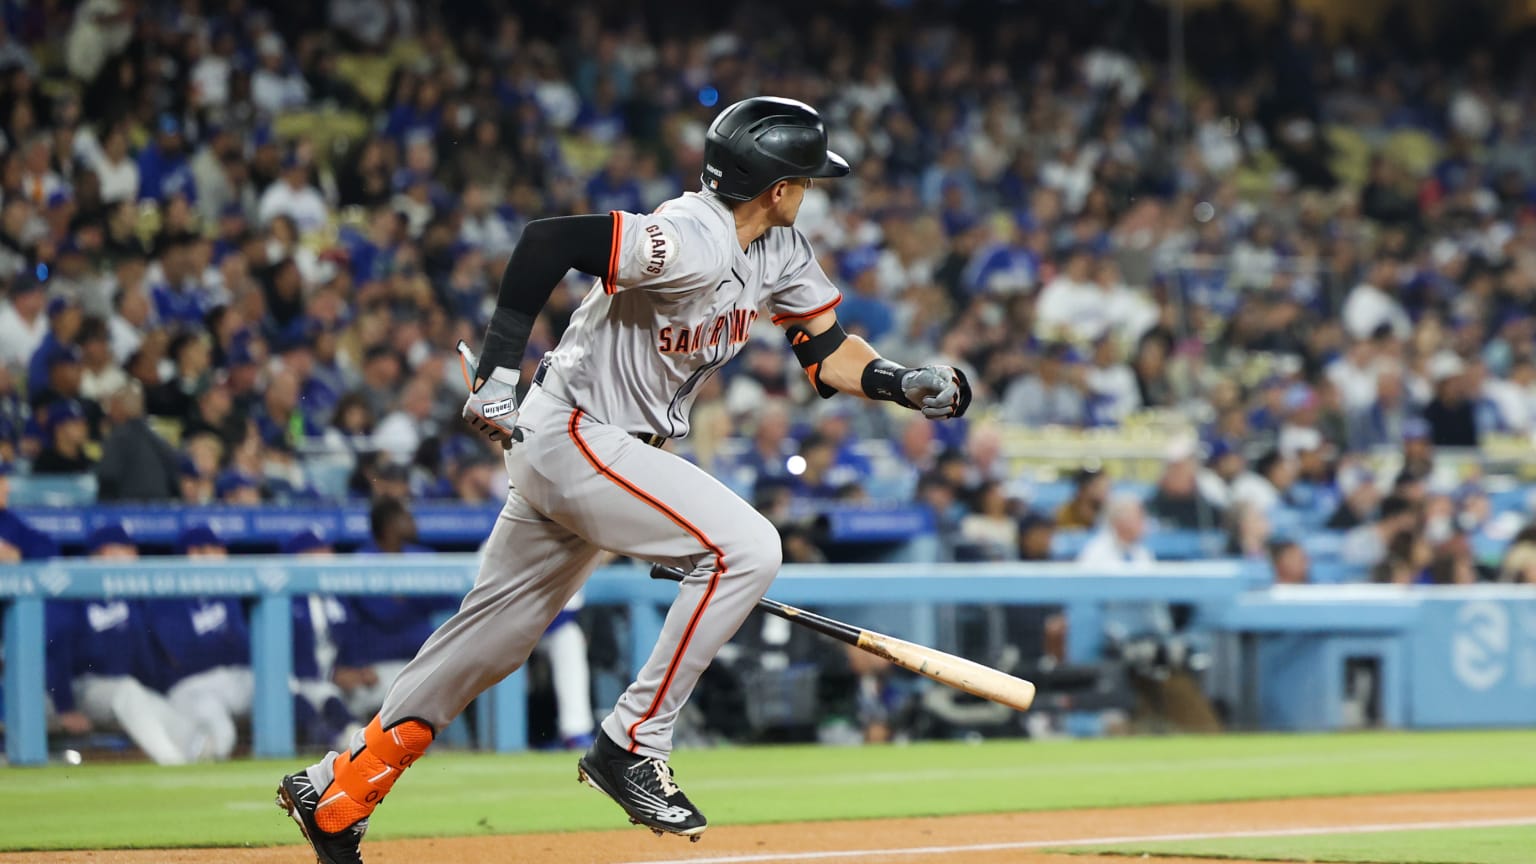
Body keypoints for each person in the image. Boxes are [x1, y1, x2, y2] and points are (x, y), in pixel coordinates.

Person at [276, 96, 971, 858]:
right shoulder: (692, 237)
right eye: (806, 177)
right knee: (748, 547)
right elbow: (547, 242)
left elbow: (826, 350)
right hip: (576, 433)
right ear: (776, 187)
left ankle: (338, 788)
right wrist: (502, 365)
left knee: (490, 641)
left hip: (601, 451)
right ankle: (632, 743)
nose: (813, 189)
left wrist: (902, 382)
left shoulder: (779, 249)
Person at [45, 523, 200, 764]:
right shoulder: (72, 587)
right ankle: (172, 762)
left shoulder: (128, 593)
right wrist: (65, 707)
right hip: (77, 688)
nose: (133, 557)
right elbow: (56, 651)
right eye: (126, 550)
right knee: (126, 691)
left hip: (116, 691)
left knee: (159, 707)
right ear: (104, 552)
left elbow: (144, 653)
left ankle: (199, 753)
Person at [334, 499, 458, 719]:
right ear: (389, 525)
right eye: (407, 518)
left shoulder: (424, 556)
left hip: (422, 660)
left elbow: (449, 601)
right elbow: (381, 614)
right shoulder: (360, 562)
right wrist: (418, 593)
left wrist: (407, 595)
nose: (414, 523)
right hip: (375, 668)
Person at [143, 526, 253, 761]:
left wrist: (219, 649)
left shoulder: (226, 591)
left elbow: (243, 647)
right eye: (213, 549)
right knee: (221, 736)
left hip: (230, 677)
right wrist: (223, 647)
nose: (220, 555)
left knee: (278, 688)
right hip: (190, 686)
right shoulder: (165, 596)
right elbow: (182, 655)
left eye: (221, 549)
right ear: (192, 553)